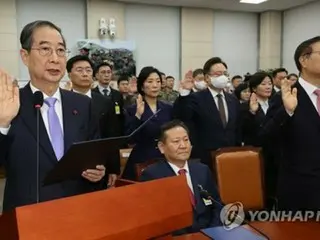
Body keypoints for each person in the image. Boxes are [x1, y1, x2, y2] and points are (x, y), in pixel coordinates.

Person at [0, 20, 105, 211]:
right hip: (27, 215)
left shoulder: (82, 104)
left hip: (77, 211)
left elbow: (94, 153)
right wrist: (3, 124)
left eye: (61, 50)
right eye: (45, 49)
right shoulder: (8, 103)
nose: (55, 58)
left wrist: (97, 172)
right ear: (25, 56)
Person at [259, 36, 320, 212]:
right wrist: (287, 111)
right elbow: (265, 137)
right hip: (301, 192)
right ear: (304, 60)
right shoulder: (286, 96)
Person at [140, 120, 222, 235]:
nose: (183, 146)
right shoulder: (152, 175)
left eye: (186, 140)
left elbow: (217, 205)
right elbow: (155, 218)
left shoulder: (202, 170)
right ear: (162, 147)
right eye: (176, 141)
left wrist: (212, 232)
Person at [174, 57, 242, 169]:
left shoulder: (232, 99)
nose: (223, 77)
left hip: (229, 155)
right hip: (204, 157)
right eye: (218, 74)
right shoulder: (196, 98)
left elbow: (237, 127)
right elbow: (182, 117)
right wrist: (185, 92)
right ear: (207, 78)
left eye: (225, 73)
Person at [67, 55, 122, 186]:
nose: (85, 74)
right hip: (70, 168)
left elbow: (111, 135)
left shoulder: (104, 102)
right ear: (69, 75)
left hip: (99, 169)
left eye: (88, 70)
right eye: (79, 70)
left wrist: (113, 169)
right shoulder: (63, 101)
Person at [122, 66, 173, 180]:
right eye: (150, 81)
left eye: (158, 81)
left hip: (165, 159)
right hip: (142, 160)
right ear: (142, 86)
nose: (155, 85)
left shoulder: (168, 108)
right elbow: (130, 139)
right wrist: (138, 116)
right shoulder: (132, 109)